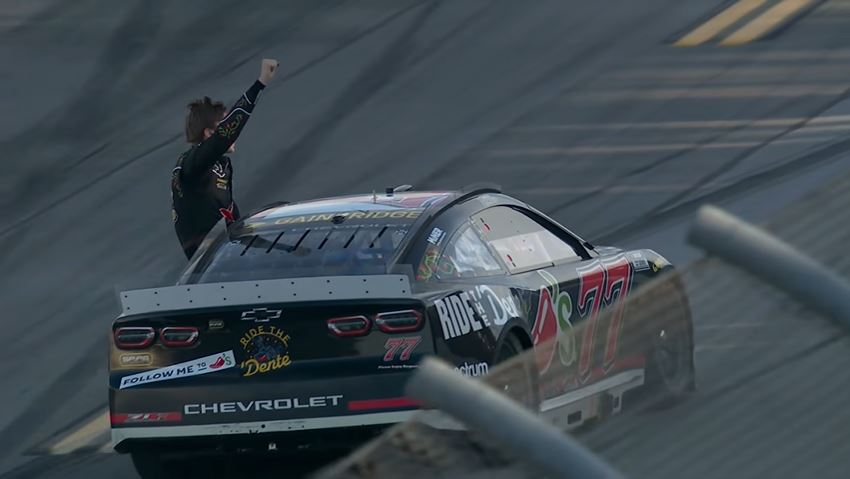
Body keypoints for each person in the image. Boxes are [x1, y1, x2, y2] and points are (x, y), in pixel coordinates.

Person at [171, 58, 279, 259]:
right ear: (209, 133)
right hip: (212, 263)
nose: (233, 136)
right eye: (223, 124)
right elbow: (226, 134)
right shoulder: (192, 164)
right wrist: (261, 83)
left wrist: (289, 251)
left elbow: (235, 224)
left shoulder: (221, 165)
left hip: (228, 253)